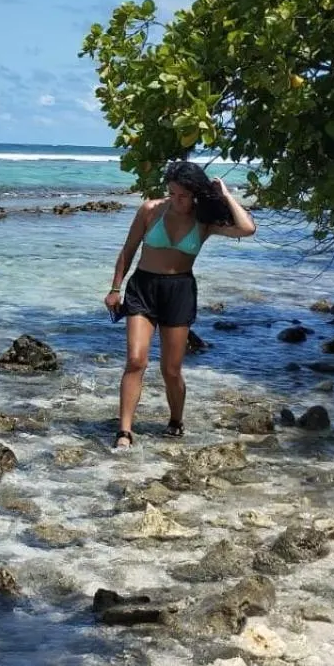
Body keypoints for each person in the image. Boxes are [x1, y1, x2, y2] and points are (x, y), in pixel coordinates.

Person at [104, 160, 256, 449]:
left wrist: (224, 195)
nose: (176, 200)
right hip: (143, 287)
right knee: (136, 360)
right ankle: (124, 432)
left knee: (171, 370)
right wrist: (115, 288)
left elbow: (247, 228)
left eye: (183, 195)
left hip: (180, 291)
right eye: (172, 193)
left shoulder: (205, 220)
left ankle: (175, 420)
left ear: (195, 193)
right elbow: (128, 250)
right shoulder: (151, 210)